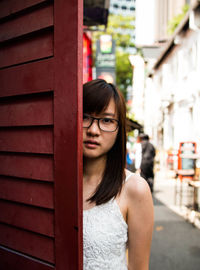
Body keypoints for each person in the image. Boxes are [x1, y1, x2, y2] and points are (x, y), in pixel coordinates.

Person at [83, 79, 154, 270]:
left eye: (107, 120)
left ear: (119, 129)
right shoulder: (55, 182)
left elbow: (139, 267)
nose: (93, 130)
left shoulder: (134, 189)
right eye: (85, 117)